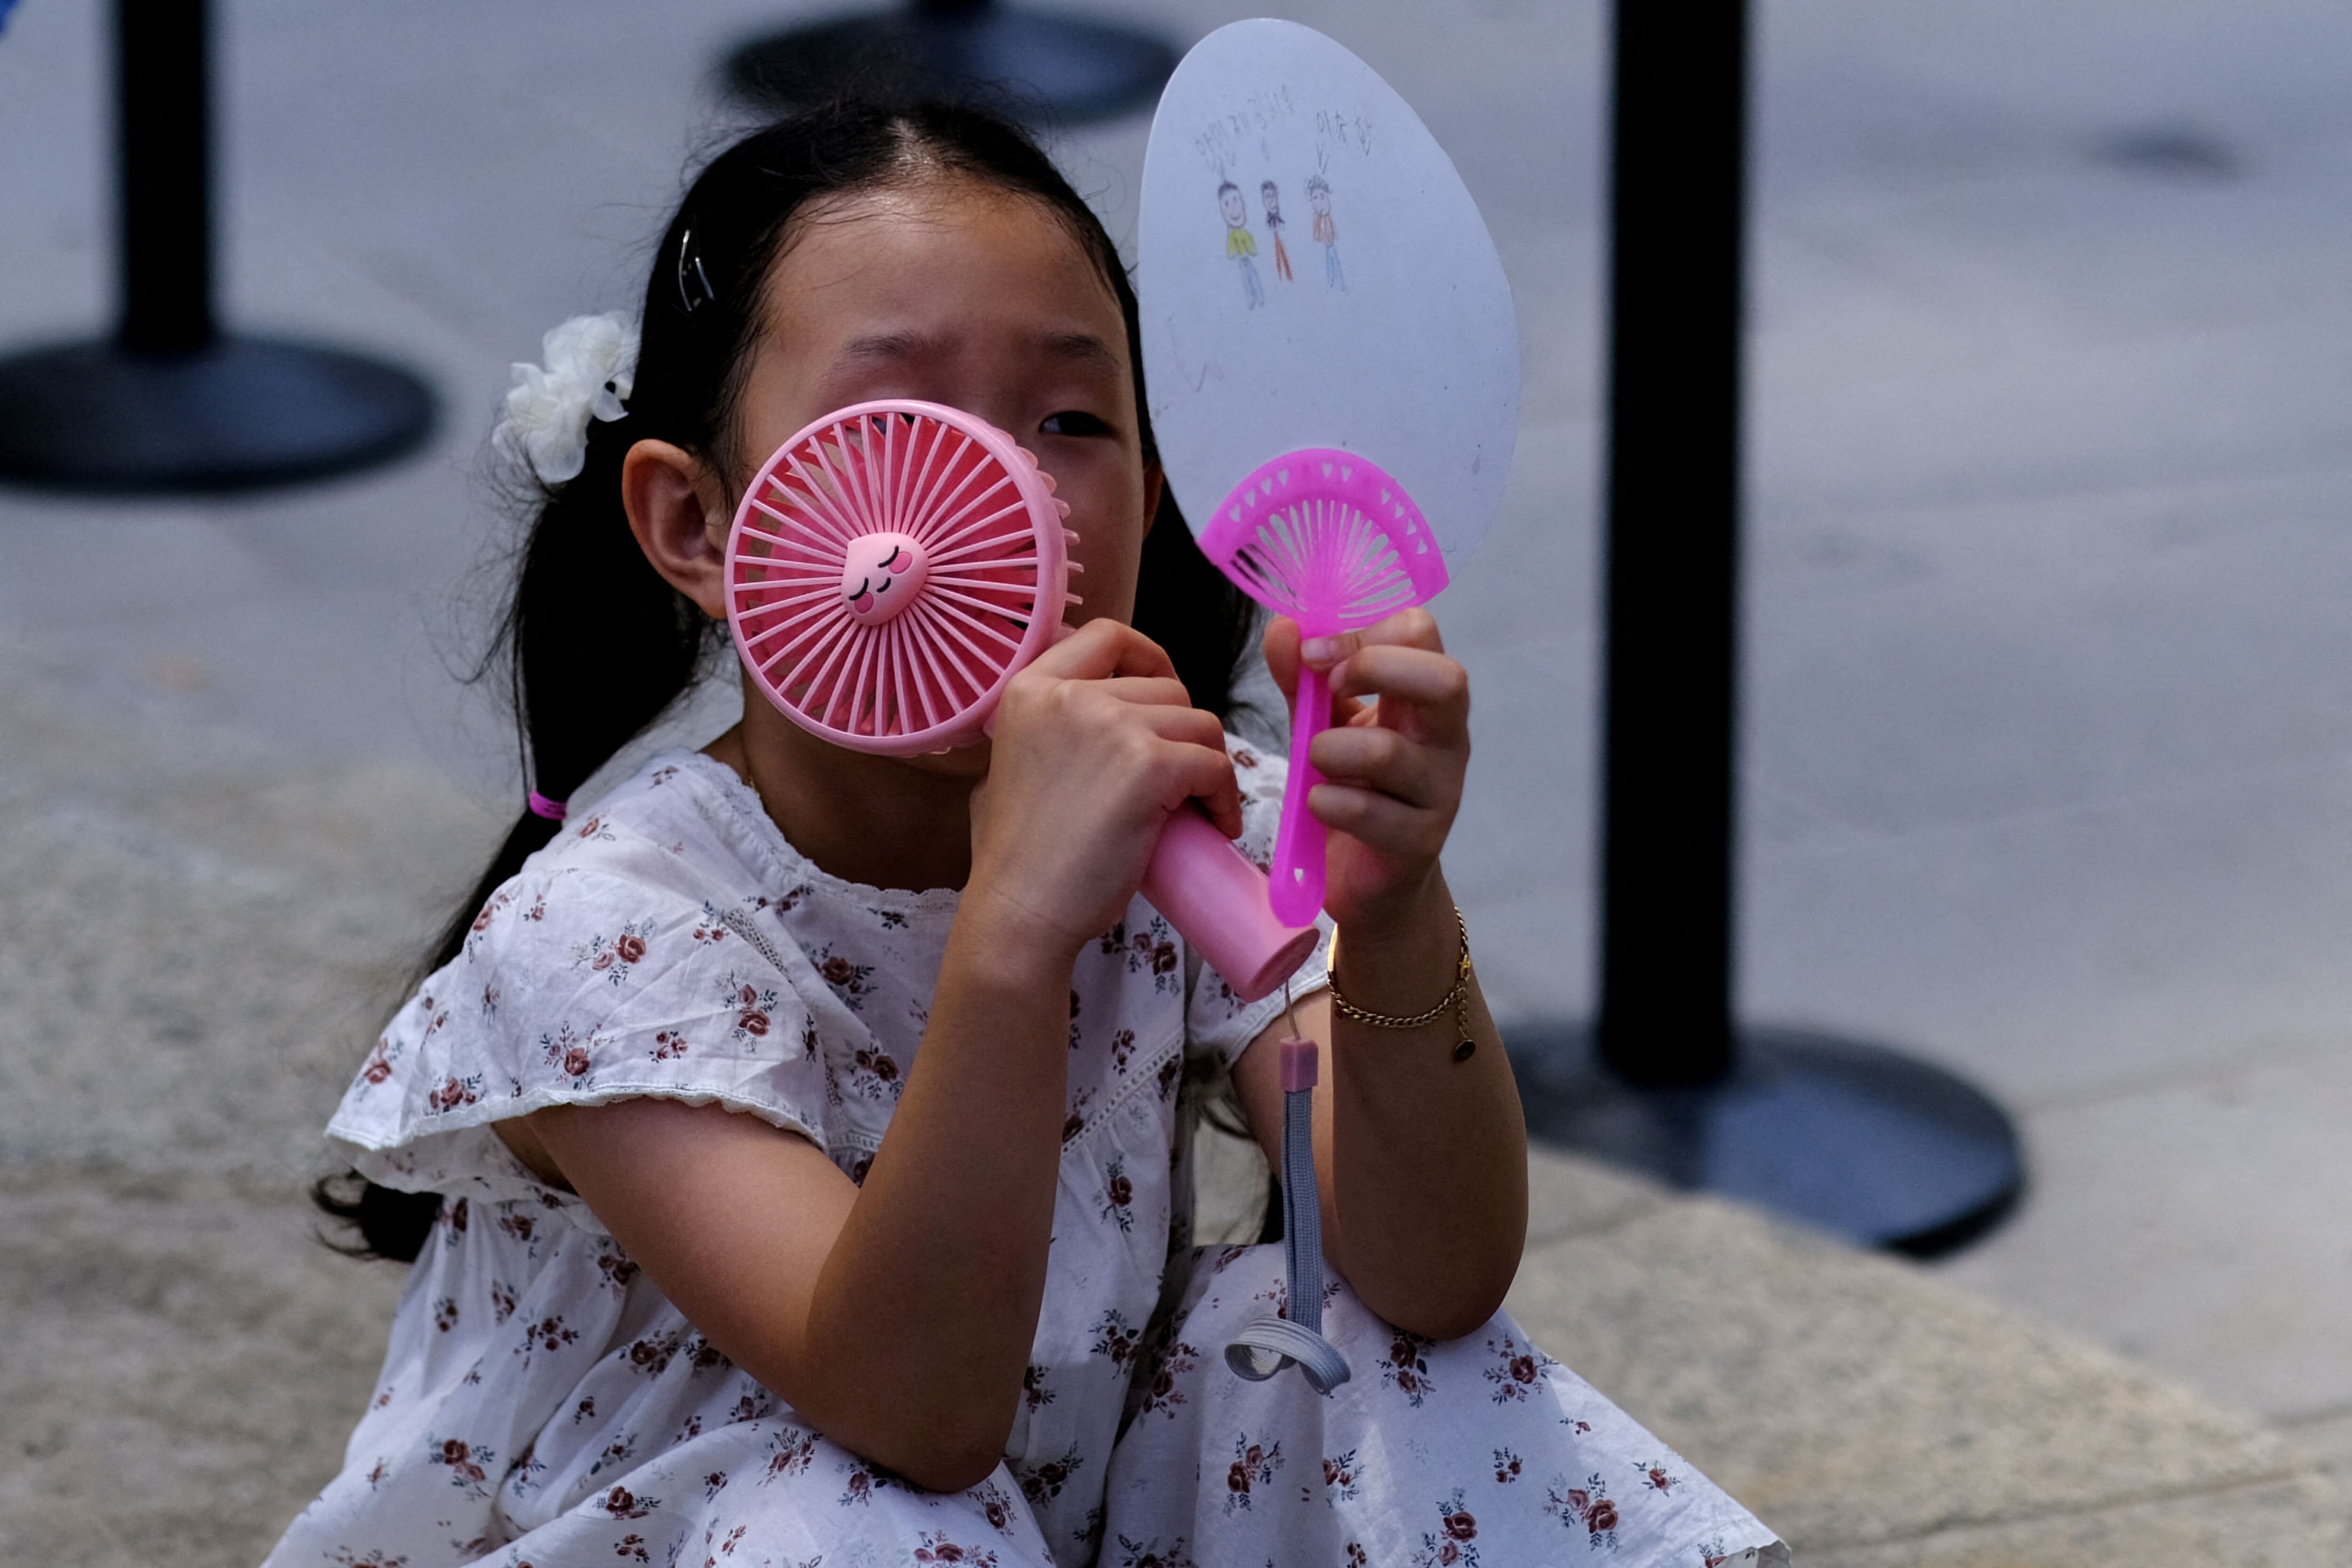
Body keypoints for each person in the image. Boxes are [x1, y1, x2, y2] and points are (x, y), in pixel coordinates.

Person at [277, 100, 1783, 1568]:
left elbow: (1434, 1278)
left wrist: (1396, 910)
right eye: (896, 422)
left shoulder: (1195, 822)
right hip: (748, 1522)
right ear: (698, 526)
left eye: (1070, 422)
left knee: (1335, 1349)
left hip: (1034, 1514)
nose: (1006, 499)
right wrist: (1015, 932)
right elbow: (909, 1415)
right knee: (860, 1514)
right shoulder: (611, 928)